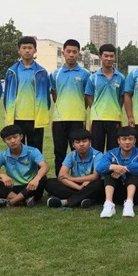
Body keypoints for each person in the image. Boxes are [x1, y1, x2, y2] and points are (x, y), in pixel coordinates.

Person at [49, 39, 91, 176]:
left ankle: (78, 179)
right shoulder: (55, 74)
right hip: (59, 119)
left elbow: (87, 97)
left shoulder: (86, 74)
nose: (71, 54)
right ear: (63, 53)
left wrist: (79, 109)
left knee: (79, 151)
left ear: (79, 53)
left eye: (74, 52)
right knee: (59, 151)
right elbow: (55, 95)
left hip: (78, 119)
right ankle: (60, 179)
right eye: (68, 51)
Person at [3, 36, 51, 151]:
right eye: (24, 48)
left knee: (35, 150)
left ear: (35, 50)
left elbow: (46, 97)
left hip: (35, 118)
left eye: (30, 48)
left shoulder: (41, 72)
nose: (27, 51)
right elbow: (6, 97)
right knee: (17, 150)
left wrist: (42, 112)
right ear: (19, 51)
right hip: (16, 117)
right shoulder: (11, 71)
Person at [0, 125, 50, 208]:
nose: (13, 141)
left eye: (15, 137)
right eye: (8, 139)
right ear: (4, 141)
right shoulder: (3, 155)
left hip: (31, 187)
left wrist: (36, 179)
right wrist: (2, 175)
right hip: (13, 188)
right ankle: (23, 200)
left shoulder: (32, 151)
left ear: (21, 136)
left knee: (42, 178)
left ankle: (10, 202)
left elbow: (45, 167)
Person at [46, 128, 105, 209]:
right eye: (77, 142)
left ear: (90, 142)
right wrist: (79, 188)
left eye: (84, 141)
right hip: (76, 186)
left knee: (99, 184)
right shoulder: (71, 155)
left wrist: (71, 178)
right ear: (73, 145)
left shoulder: (98, 155)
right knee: (49, 183)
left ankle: (66, 202)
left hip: (90, 184)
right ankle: (87, 199)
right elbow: (61, 176)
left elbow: (95, 176)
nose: (81, 144)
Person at [96, 126, 138, 218]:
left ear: (134, 141)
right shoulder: (111, 153)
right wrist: (113, 167)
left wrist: (124, 168)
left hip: (136, 194)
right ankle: (108, 204)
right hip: (116, 193)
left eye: (130, 139)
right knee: (109, 172)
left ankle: (129, 204)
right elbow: (99, 168)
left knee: (133, 172)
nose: (127, 142)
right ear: (118, 141)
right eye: (124, 139)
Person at [85, 44, 125, 153]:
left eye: (111, 56)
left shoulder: (120, 77)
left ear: (115, 57)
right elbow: (89, 96)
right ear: (100, 57)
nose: (109, 59)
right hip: (97, 119)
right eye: (106, 56)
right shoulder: (93, 77)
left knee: (114, 151)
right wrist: (96, 108)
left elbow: (122, 97)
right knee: (96, 150)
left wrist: (116, 108)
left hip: (115, 118)